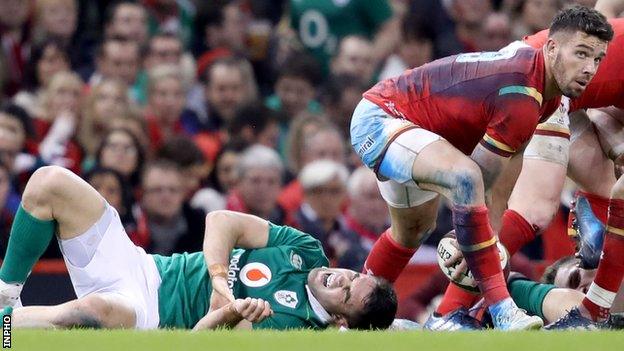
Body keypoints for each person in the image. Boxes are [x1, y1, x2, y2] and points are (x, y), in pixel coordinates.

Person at [350, 6, 612, 330]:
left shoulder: (546, 98)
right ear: (552, 47)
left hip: (417, 132)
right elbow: (477, 184)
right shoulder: (522, 94)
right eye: (582, 54)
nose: (590, 69)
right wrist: (473, 244)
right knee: (466, 179)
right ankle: (502, 311)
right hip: (382, 117)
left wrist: (490, 240)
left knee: (411, 231)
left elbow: (501, 188)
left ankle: (353, 321)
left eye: (598, 59)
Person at [0, 165, 397, 330]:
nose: (340, 278)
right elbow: (221, 221)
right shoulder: (307, 250)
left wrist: (227, 313)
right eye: (353, 276)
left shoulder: (296, 329)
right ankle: (6, 296)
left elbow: (201, 342)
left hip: (149, 315)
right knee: (49, 182)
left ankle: (3, 331)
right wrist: (220, 280)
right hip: (145, 268)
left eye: (346, 294)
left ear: (341, 320)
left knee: (91, 310)